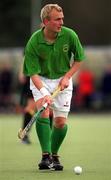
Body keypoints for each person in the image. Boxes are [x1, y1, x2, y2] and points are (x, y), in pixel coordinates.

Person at [23, 4, 85, 170]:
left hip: (62, 80)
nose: (61, 22)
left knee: (59, 122)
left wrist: (67, 77)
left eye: (62, 18)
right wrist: (44, 92)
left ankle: (55, 155)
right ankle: (45, 156)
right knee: (43, 113)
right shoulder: (34, 42)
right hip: (41, 79)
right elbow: (33, 73)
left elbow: (79, 59)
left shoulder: (70, 35)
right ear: (46, 21)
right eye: (57, 19)